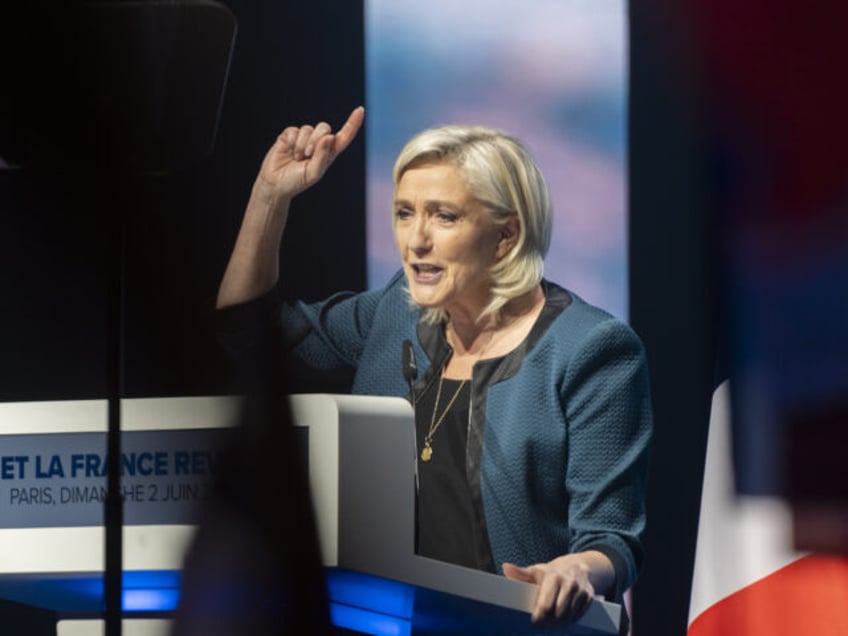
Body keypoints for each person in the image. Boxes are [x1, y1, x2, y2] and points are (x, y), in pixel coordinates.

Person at [216, 106, 653, 627]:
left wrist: (577, 569)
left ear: (506, 236)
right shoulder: (392, 315)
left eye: (444, 216)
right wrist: (270, 197)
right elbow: (245, 334)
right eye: (405, 213)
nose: (415, 239)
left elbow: (611, 539)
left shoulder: (593, 349)